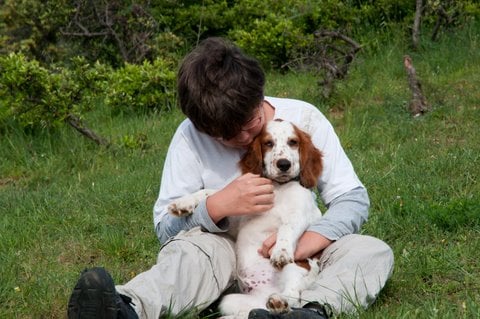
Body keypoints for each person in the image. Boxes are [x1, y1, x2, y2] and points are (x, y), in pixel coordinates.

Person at [67, 37, 394, 319]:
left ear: (260, 95)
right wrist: (214, 207)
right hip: (223, 254)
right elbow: (166, 230)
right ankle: (126, 308)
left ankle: (309, 310)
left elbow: (352, 198)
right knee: (190, 254)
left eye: (251, 123)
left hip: (301, 252)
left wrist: (311, 239)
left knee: (371, 251)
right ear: (202, 126)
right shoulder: (189, 138)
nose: (242, 137)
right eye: (225, 134)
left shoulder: (302, 118)